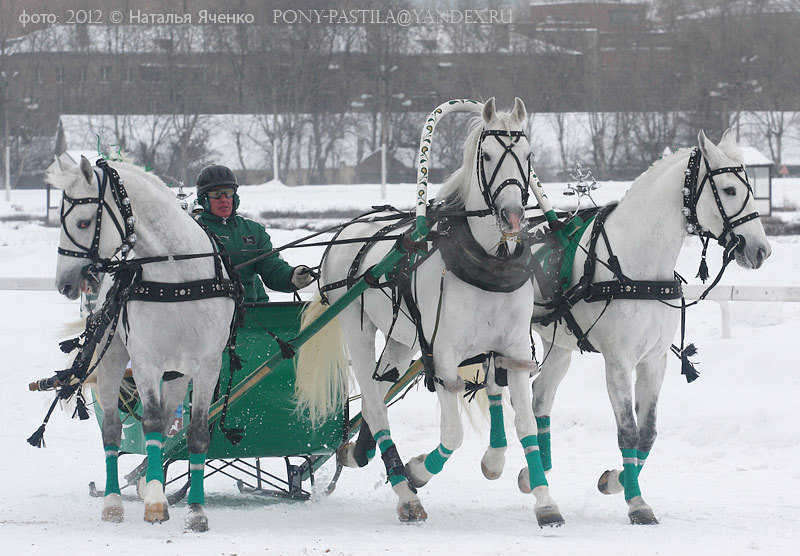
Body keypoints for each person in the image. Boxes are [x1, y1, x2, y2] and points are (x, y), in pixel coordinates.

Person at [194, 164, 314, 302]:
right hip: (211, 310)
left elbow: (271, 267)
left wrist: (291, 277)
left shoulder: (253, 230)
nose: (223, 199)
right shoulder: (194, 229)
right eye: (216, 194)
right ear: (204, 199)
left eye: (228, 192)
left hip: (254, 308)